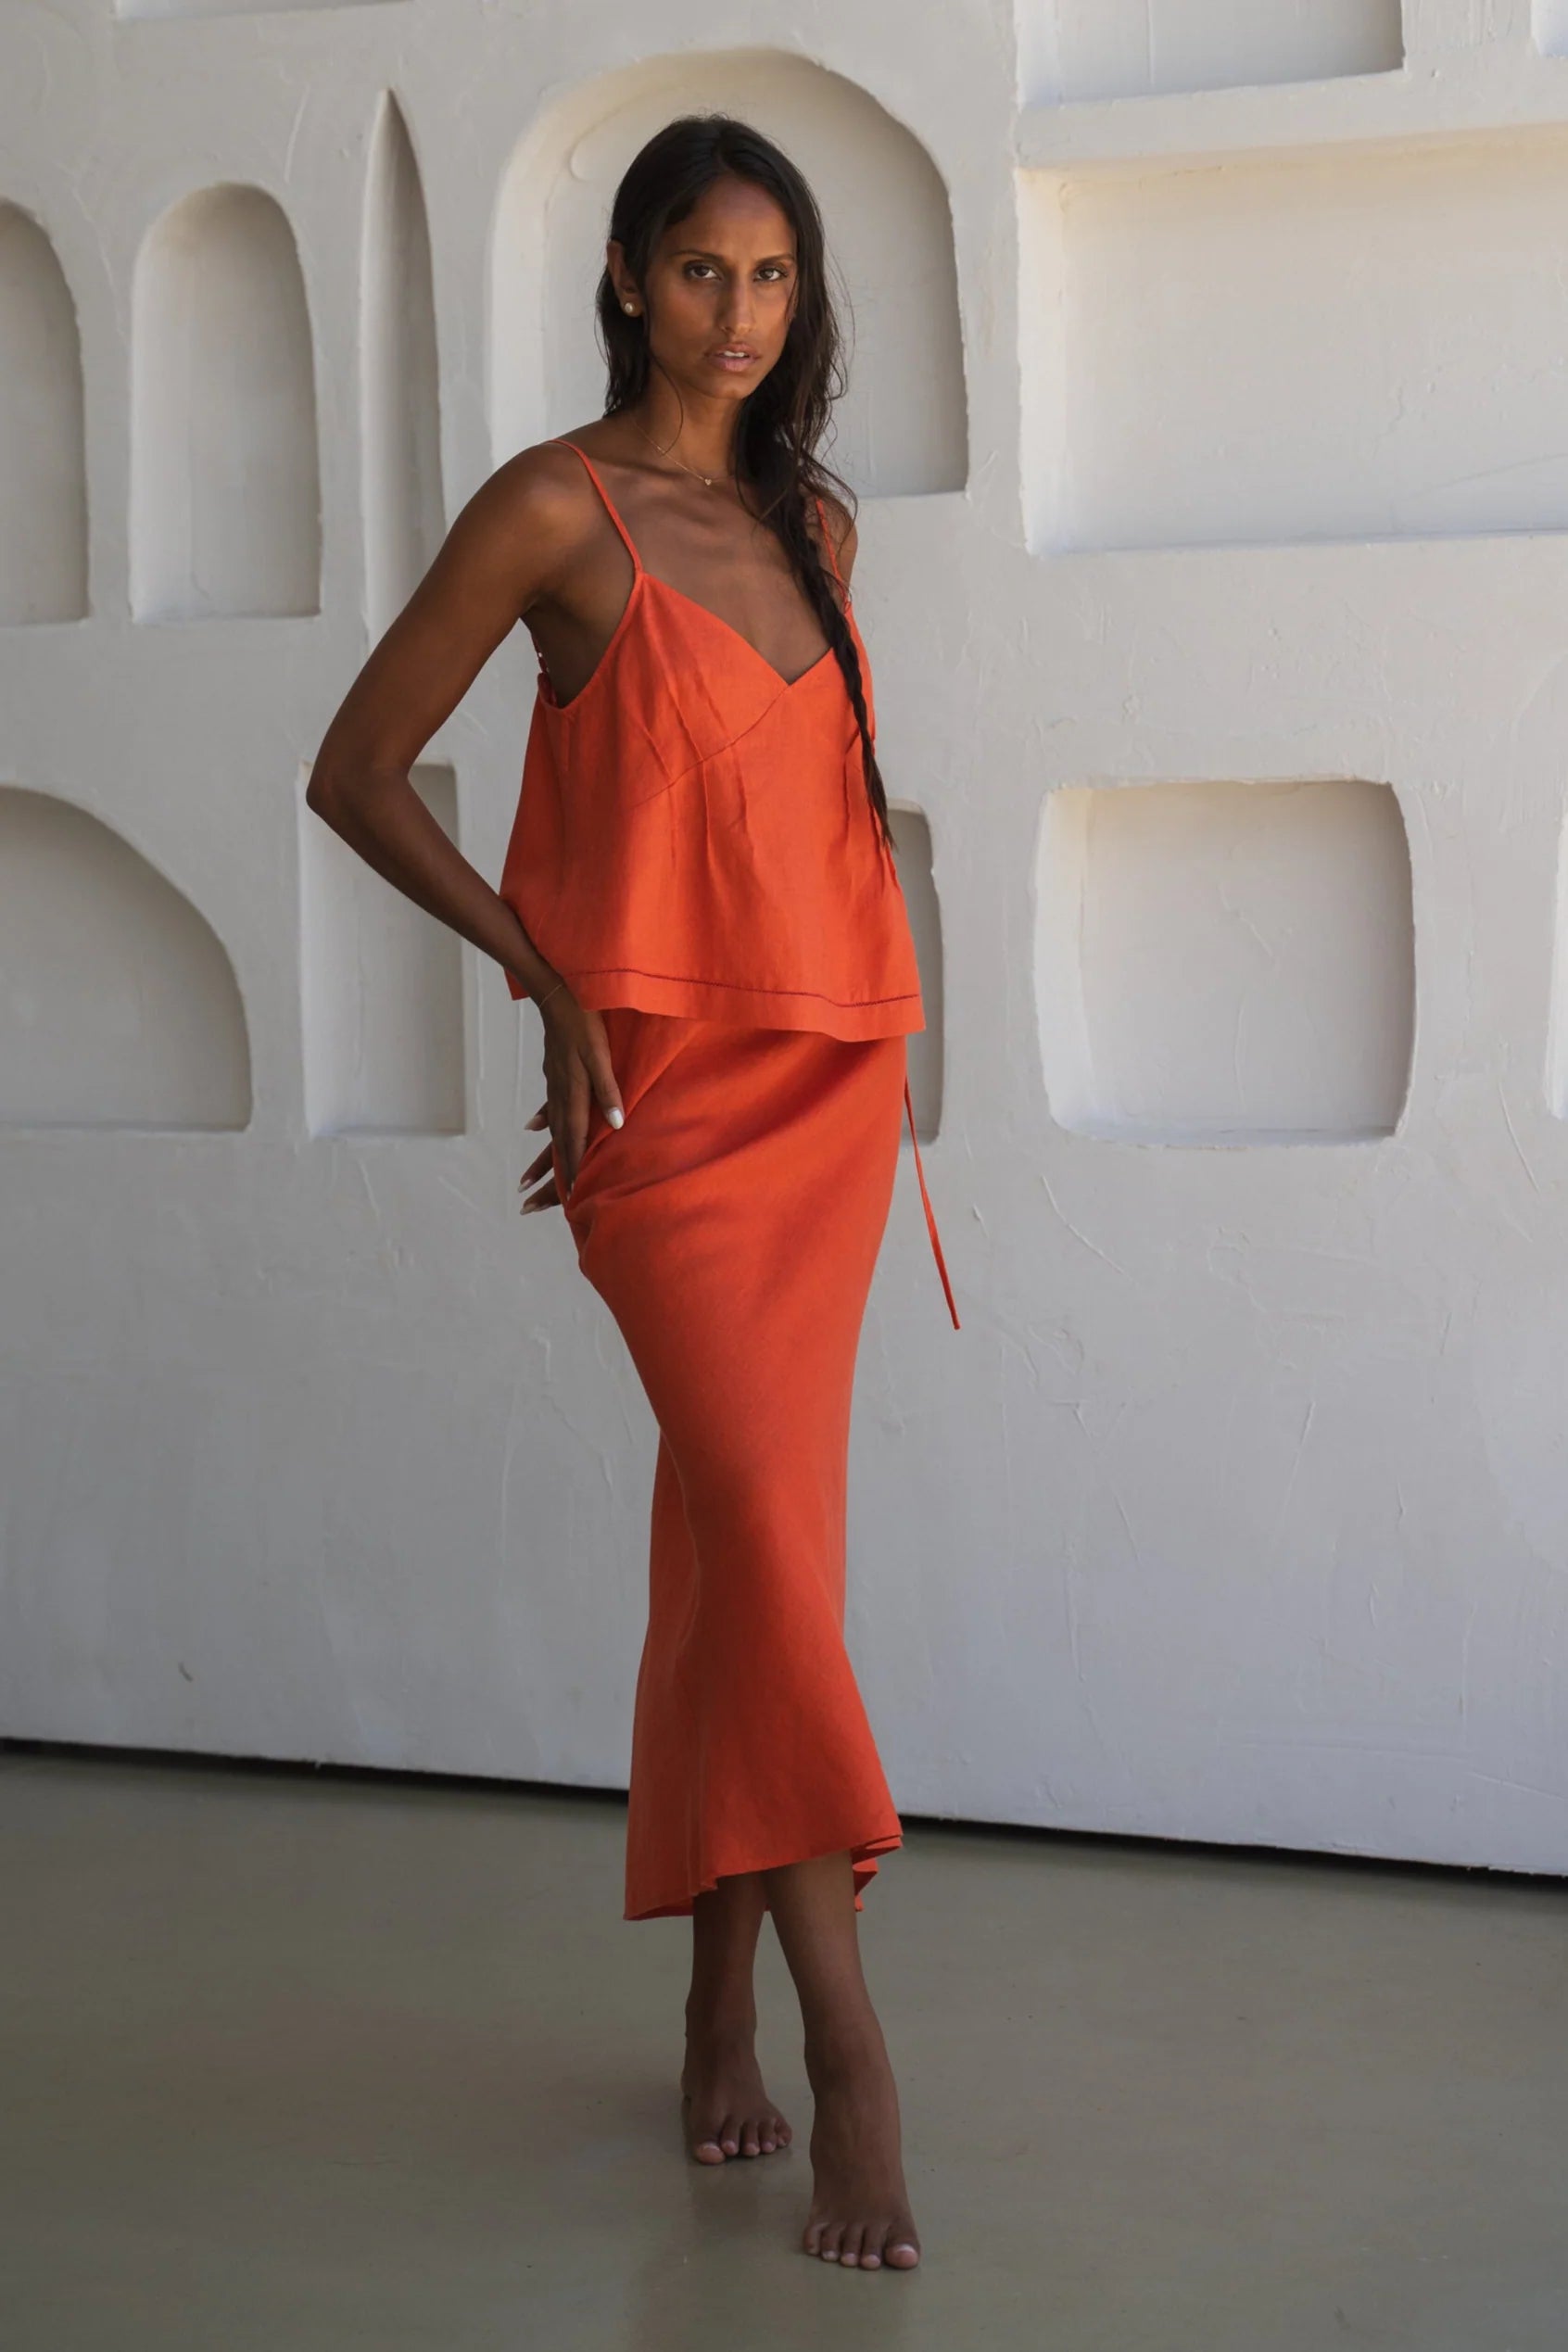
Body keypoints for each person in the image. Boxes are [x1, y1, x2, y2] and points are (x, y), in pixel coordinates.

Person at [307, 111, 958, 2274]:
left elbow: (820, 836)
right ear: (622, 276)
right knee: (769, 1541)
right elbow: (357, 765)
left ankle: (712, 1998)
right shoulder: (549, 514)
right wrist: (542, 972)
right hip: (669, 1121)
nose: (740, 316)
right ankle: (846, 2035)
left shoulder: (819, 531)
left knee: (735, 1539)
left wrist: (884, 1040)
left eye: (773, 279)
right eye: (702, 271)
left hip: (833, 1094)